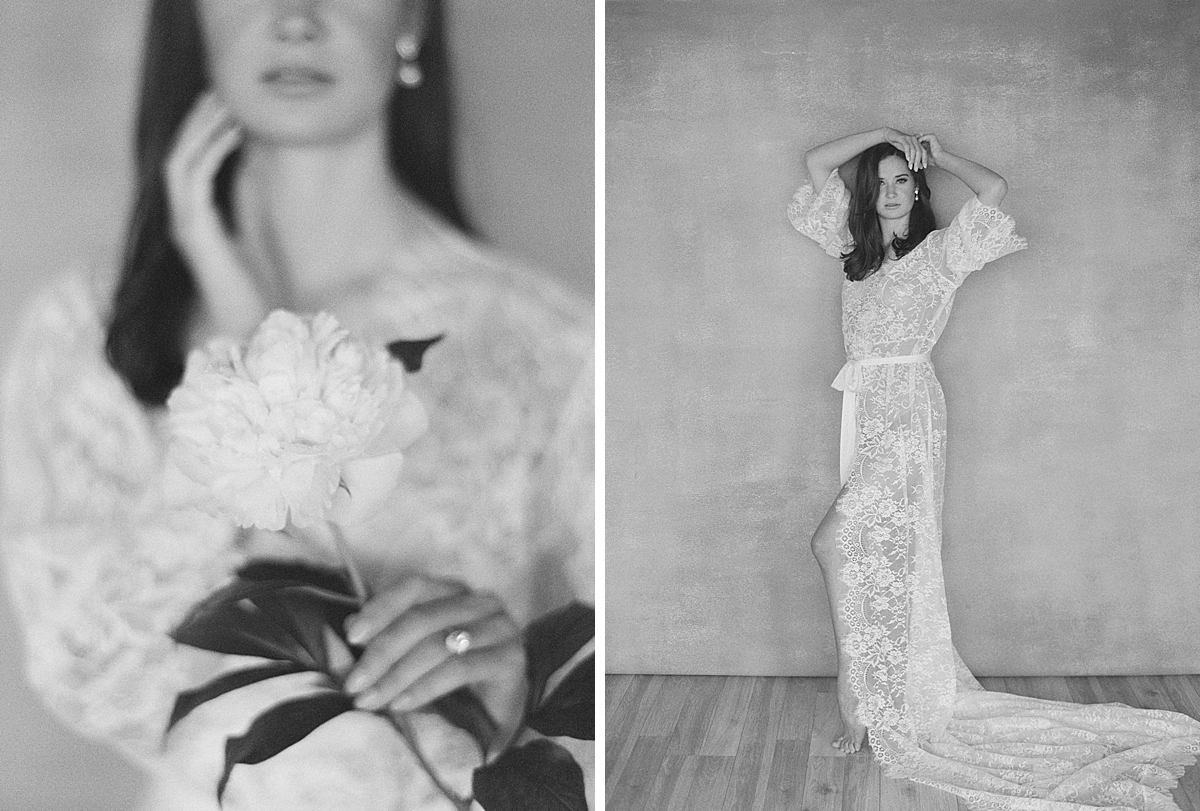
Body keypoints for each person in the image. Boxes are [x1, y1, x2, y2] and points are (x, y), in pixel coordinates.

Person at [0, 0, 593, 809]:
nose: (296, 19)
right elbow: (88, 671)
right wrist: (242, 347)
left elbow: (640, 690)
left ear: (412, 21)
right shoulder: (84, 329)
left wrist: (512, 694)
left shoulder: (540, 338)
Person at [789, 127, 1200, 809]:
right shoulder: (852, 252)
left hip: (910, 413)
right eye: (881, 182)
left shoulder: (941, 254)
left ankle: (852, 691)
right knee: (860, 549)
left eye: (903, 181)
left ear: (917, 189)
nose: (892, 194)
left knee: (832, 541)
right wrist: (886, 135)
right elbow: (813, 163)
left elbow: (995, 191)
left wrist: (936, 154)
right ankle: (866, 688)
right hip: (867, 407)